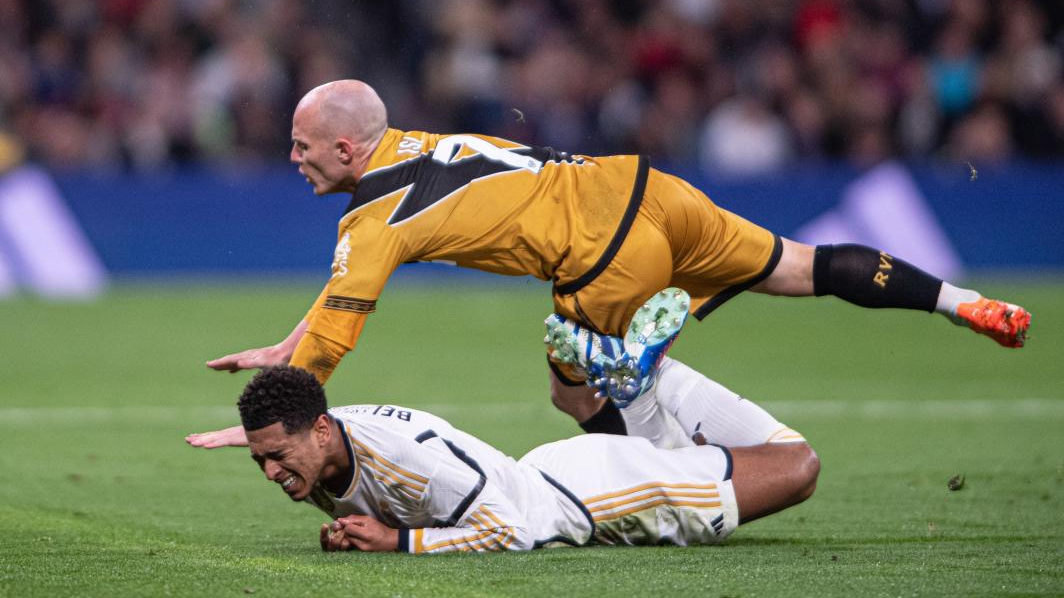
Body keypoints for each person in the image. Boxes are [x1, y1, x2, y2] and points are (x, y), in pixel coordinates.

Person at [187, 79, 1030, 448]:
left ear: (344, 147)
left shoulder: (373, 218)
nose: (291, 158)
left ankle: (676, 475)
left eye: (301, 148)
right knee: (801, 266)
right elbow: (335, 297)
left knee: (572, 388)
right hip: (648, 190)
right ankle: (966, 305)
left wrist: (274, 411)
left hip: (600, 262)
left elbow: (337, 339)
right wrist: (286, 337)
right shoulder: (421, 141)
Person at [229, 365, 819, 553]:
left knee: (796, 466)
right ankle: (629, 403)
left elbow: (508, 528)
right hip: (552, 472)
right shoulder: (323, 448)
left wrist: (398, 542)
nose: (271, 472)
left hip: (600, 502)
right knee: (685, 456)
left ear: (324, 430)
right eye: (260, 460)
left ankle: (653, 377)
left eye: (277, 456)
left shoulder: (406, 460)